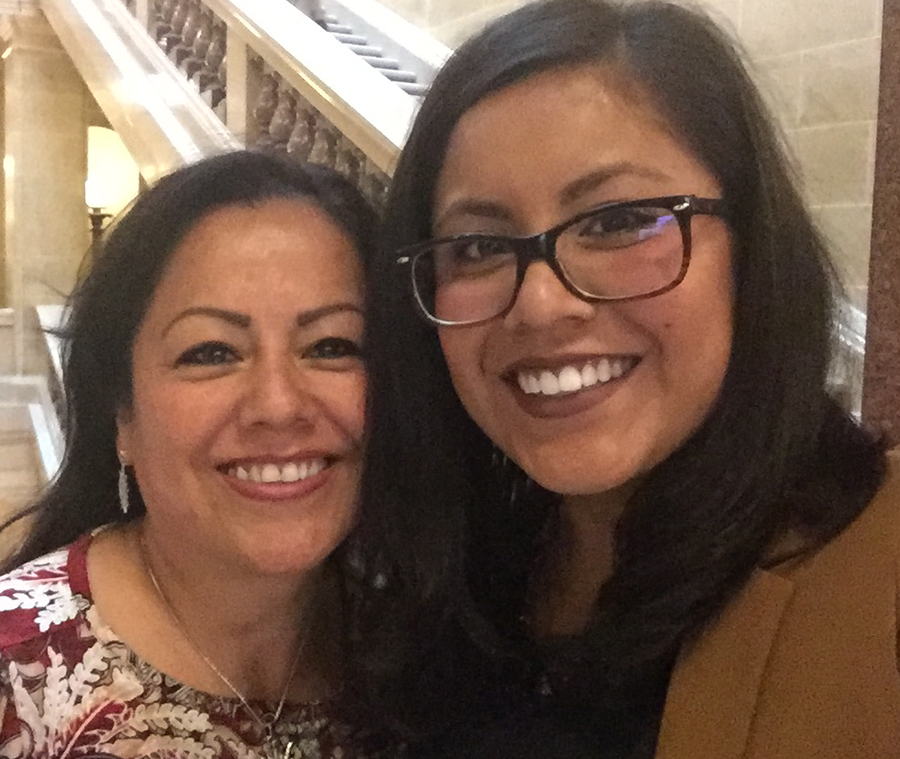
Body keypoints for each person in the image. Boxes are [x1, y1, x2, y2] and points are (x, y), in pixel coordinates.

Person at [352, 1, 899, 757]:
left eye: (615, 222)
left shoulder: (875, 570)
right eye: (476, 244)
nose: (540, 304)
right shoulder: (452, 581)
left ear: (750, 249)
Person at [0, 151, 391, 758]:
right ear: (121, 415)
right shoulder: (17, 677)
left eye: (331, 345)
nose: (279, 405)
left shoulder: (419, 653)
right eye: (211, 352)